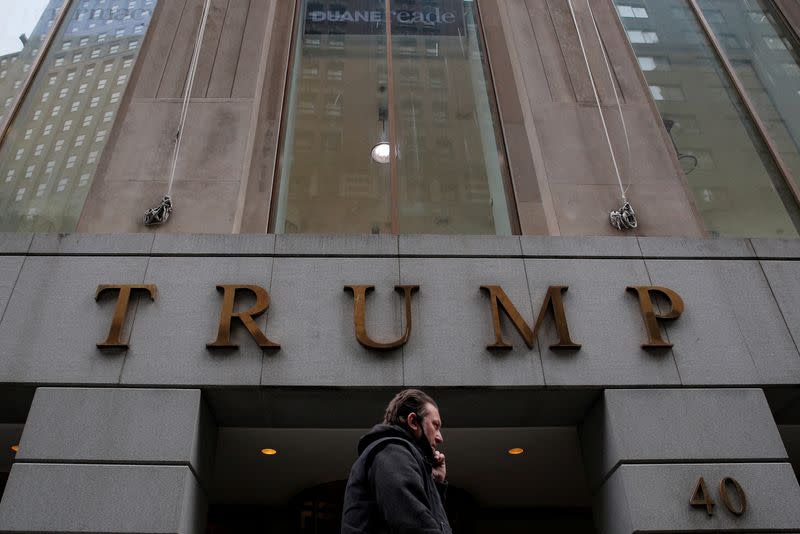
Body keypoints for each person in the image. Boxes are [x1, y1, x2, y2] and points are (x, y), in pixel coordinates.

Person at [341, 389, 452, 534]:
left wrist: (435, 483)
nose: (440, 437)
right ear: (413, 421)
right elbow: (413, 522)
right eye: (435, 426)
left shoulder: (399, 454)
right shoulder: (393, 452)